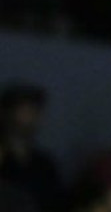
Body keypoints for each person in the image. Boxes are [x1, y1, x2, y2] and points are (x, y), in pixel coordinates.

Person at [0, 83, 64, 212]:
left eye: (35, 112)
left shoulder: (44, 165)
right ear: (7, 113)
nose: (31, 118)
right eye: (25, 111)